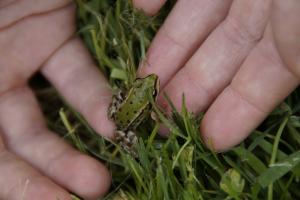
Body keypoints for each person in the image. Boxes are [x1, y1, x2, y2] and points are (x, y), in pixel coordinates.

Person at [0, 0, 298, 199]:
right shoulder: (150, 106)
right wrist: (153, 115)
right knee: (127, 135)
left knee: (116, 113)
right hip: (127, 122)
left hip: (125, 109)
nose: (153, 84)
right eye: (149, 87)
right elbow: (152, 115)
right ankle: (128, 144)